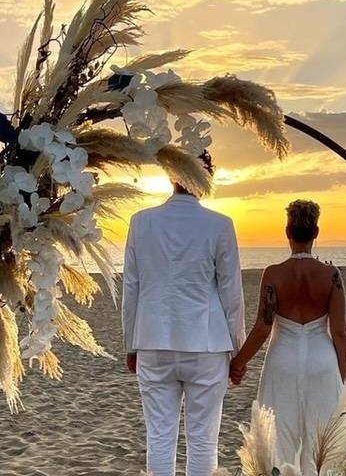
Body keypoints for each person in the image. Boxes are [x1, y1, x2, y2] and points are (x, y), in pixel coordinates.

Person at [121, 151, 245, 476]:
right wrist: (239, 351)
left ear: (172, 175)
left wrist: (130, 345)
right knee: (203, 440)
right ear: (207, 179)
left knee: (159, 437)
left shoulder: (142, 221)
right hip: (207, 345)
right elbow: (232, 294)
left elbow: (131, 289)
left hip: (153, 341)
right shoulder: (220, 225)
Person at [230, 200, 346, 475]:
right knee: (322, 444)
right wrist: (343, 375)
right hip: (322, 360)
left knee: (279, 440)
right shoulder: (331, 275)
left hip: (282, 359)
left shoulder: (273, 273)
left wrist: (238, 362)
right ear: (316, 232)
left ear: (287, 231)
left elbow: (263, 326)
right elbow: (340, 331)